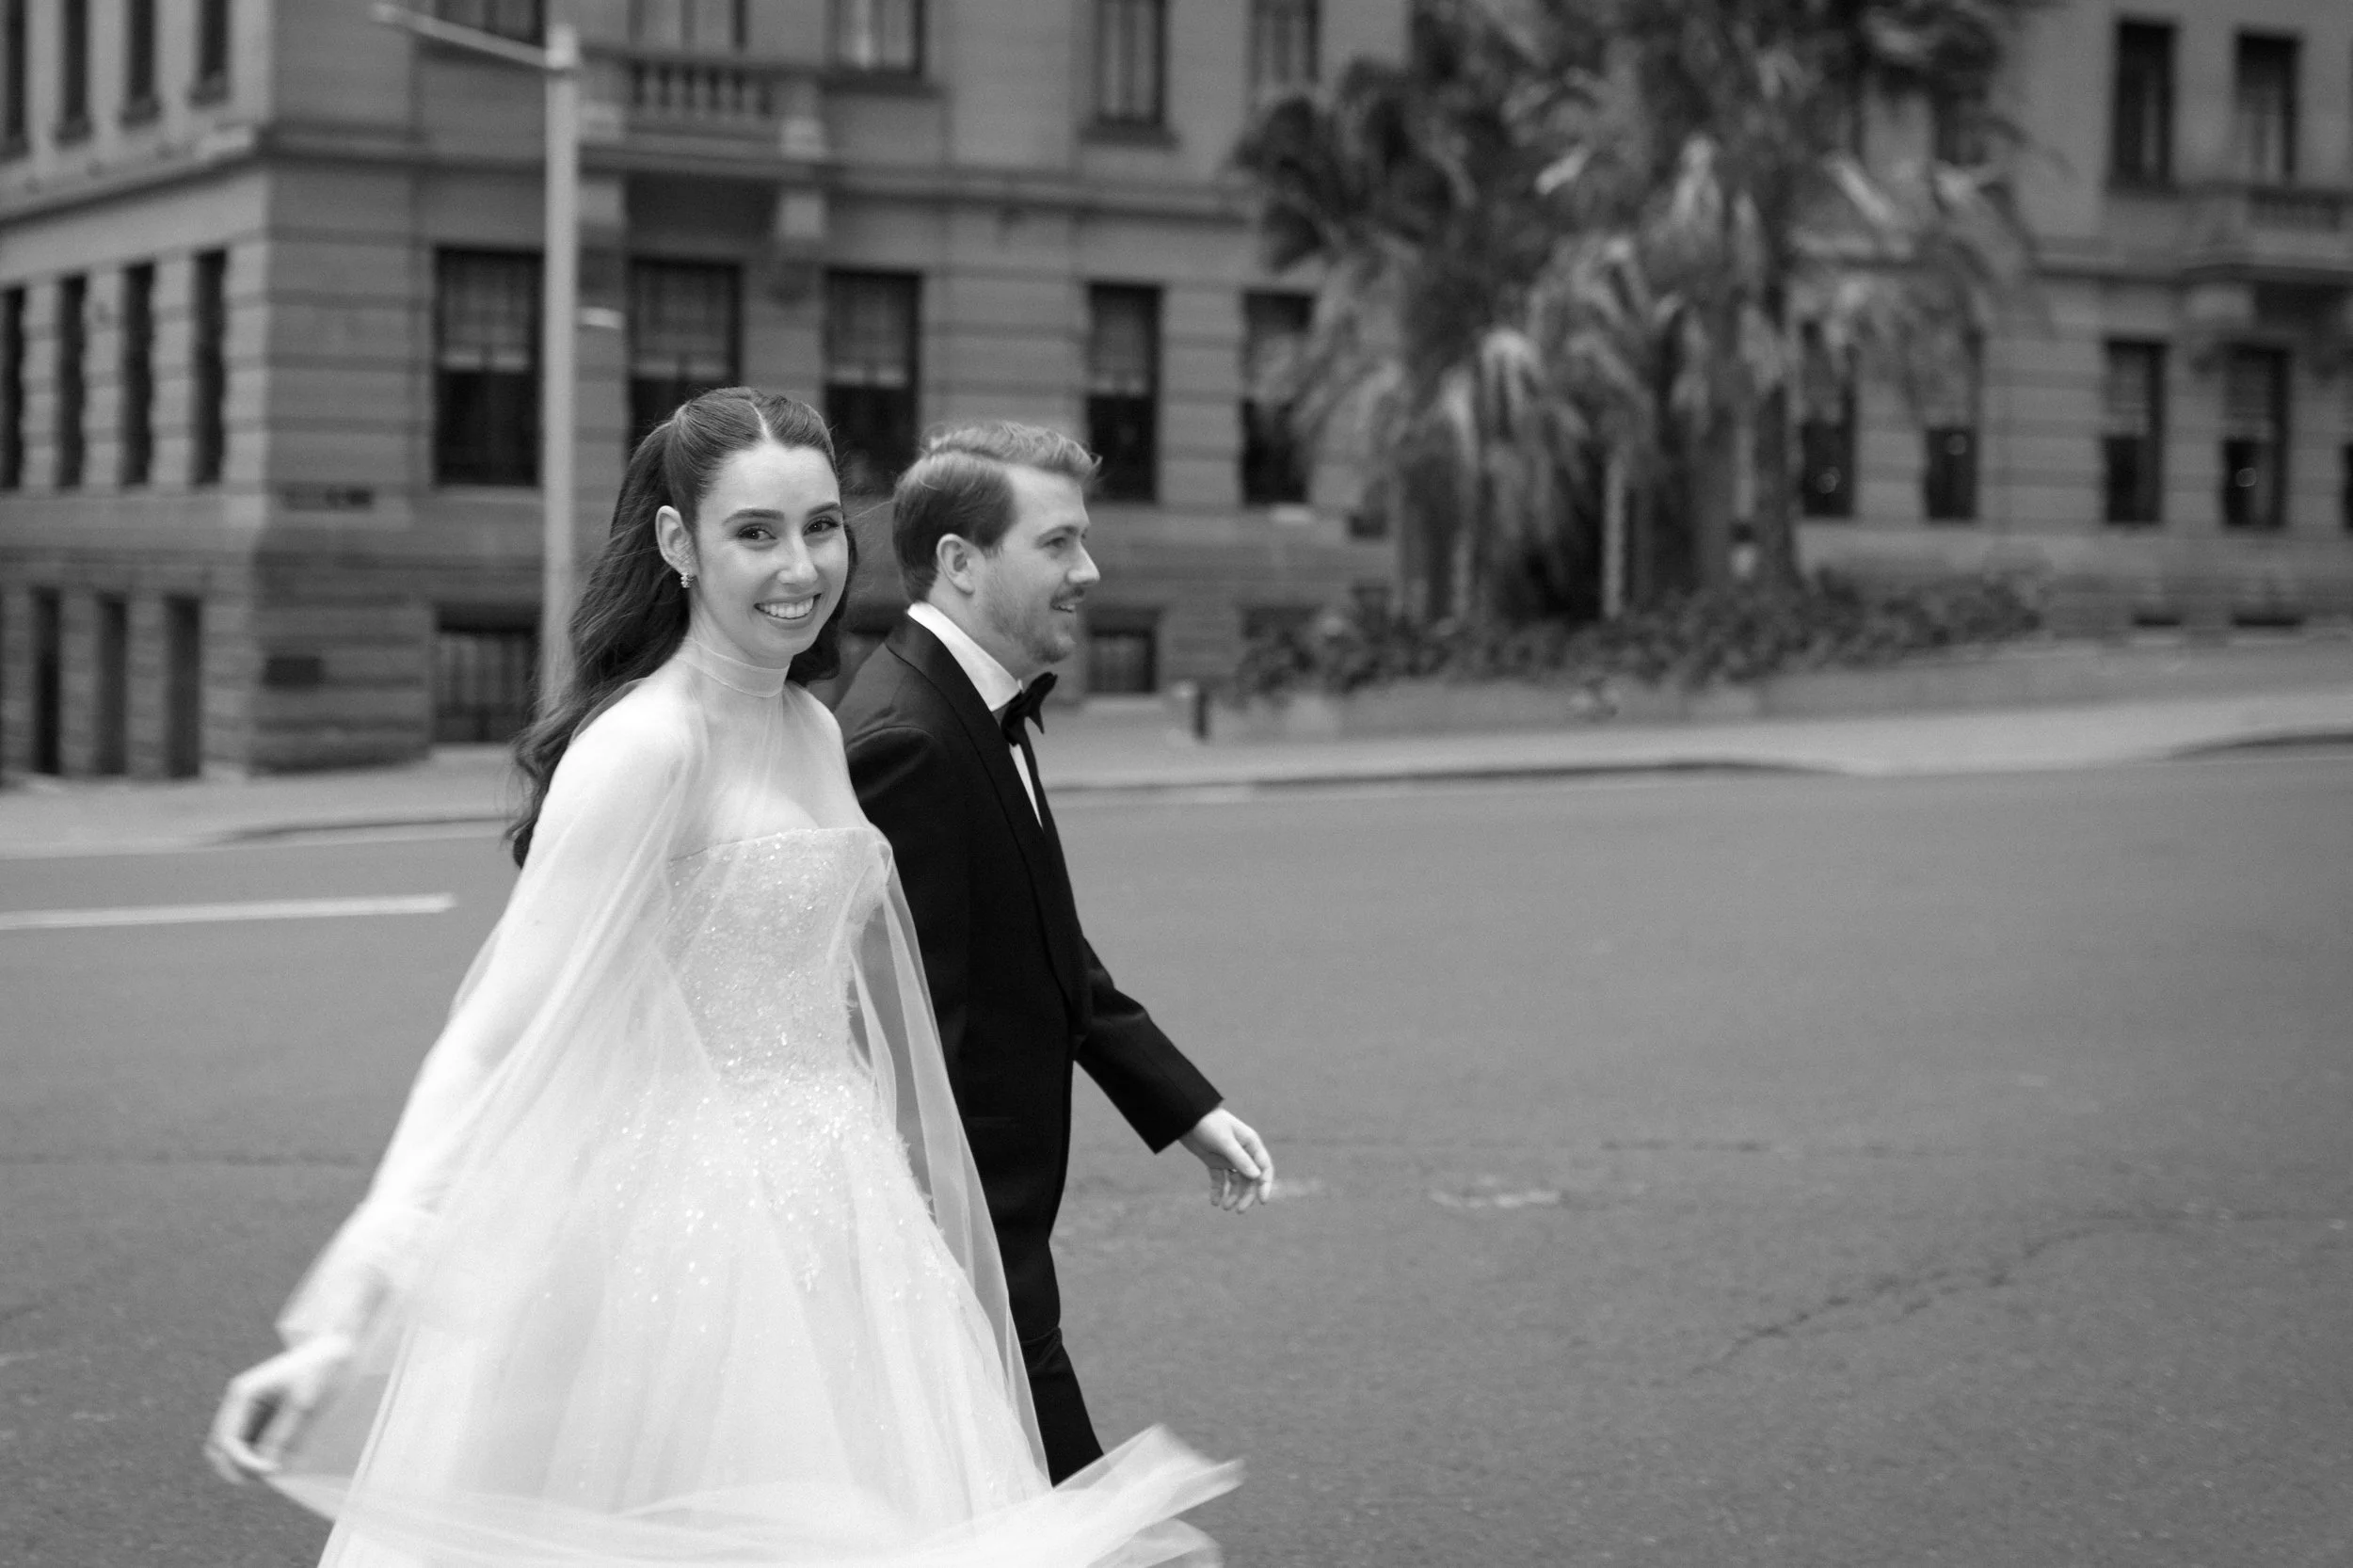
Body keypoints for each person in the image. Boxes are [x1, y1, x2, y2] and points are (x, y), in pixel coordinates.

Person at [203, 390, 1234, 1568]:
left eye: (821, 526)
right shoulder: (646, 748)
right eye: (755, 533)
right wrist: (356, 1306)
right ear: (677, 544)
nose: (800, 567)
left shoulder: (806, 726)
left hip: (842, 1219)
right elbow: (494, 1036)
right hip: (685, 1244)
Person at [834, 423, 1276, 1485]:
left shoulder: (968, 705)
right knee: (1060, 1505)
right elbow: (905, 1034)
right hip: (966, 1230)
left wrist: (1183, 1106)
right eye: (1060, 543)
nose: (1089, 570)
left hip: (994, 1232)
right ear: (960, 561)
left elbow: (1043, 944)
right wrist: (950, 1257)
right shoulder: (908, 739)